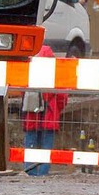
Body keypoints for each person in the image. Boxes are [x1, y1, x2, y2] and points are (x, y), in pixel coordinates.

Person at [21, 45, 69, 176]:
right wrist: (56, 110)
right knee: (46, 149)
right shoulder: (56, 74)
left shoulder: (30, 73)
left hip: (31, 119)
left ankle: (29, 173)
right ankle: (42, 174)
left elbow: (23, 94)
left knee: (30, 146)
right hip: (50, 119)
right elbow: (62, 97)